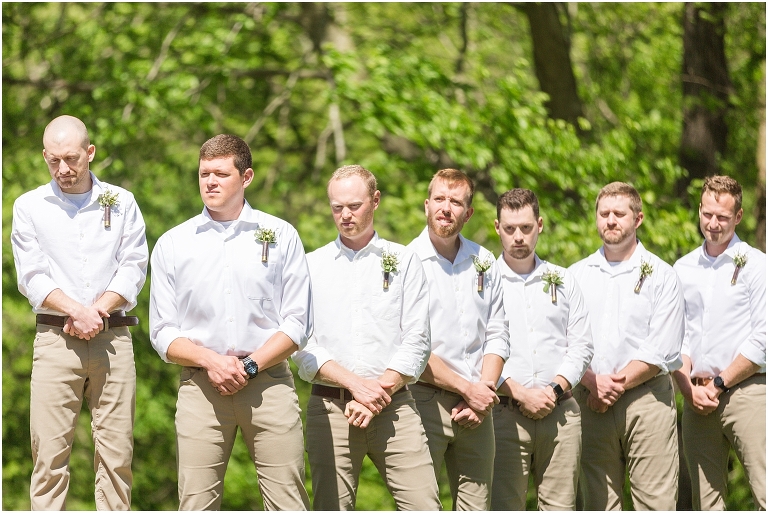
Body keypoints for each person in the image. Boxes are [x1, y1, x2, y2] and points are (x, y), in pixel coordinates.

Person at [149, 134, 311, 510]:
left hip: (268, 383)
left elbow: (298, 322)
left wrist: (249, 365)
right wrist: (211, 362)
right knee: (195, 503)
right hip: (200, 387)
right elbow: (162, 331)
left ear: (247, 177)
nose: (210, 182)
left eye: (221, 173)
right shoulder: (174, 243)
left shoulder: (281, 235)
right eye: (204, 173)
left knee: (288, 501)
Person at [11, 115, 148, 510]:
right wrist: (74, 310)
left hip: (114, 340)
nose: (64, 170)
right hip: (55, 342)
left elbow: (135, 264)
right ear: (44, 157)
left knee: (117, 456)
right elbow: (31, 275)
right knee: (49, 457)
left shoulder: (121, 202)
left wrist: (98, 311)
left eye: (71, 159)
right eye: (53, 161)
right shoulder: (29, 206)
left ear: (90, 153)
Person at [293, 165, 441, 510]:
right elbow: (301, 344)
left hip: (396, 406)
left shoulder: (404, 261)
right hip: (330, 407)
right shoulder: (311, 265)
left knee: (425, 505)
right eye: (336, 207)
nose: (345, 215)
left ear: (375, 201)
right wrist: (356, 386)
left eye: (354, 206)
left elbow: (418, 340)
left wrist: (376, 392)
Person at [568, 181, 684, 510]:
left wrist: (613, 386)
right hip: (589, 400)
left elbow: (663, 347)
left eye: (620, 213)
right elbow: (565, 340)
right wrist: (593, 383)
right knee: (599, 503)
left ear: (638, 219)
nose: (611, 220)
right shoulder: (575, 275)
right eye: (604, 213)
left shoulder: (662, 275)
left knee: (656, 501)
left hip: (647, 400)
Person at [407, 168, 510, 510]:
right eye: (439, 199)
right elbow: (412, 346)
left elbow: (497, 333)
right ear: (426, 205)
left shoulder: (484, 261)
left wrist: (484, 390)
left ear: (469, 212)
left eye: (456, 202)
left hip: (479, 406)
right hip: (425, 401)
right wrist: (468, 390)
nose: (446, 208)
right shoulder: (407, 263)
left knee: (477, 507)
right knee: (421, 506)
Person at [490, 189, 593, 510]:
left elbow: (582, 345)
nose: (518, 237)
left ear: (540, 225)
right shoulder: (483, 281)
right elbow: (477, 349)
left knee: (561, 507)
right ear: (497, 228)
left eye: (526, 227)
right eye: (509, 229)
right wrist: (520, 393)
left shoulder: (563, 279)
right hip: (503, 413)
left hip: (560, 412)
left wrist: (553, 389)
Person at [672, 175, 765, 510]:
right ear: (699, 210)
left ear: (738, 217)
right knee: (705, 502)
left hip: (747, 392)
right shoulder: (682, 269)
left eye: (722, 217)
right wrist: (688, 389)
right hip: (696, 397)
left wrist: (721, 383)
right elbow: (676, 339)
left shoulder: (757, 265)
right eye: (707, 214)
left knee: (764, 489)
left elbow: (763, 339)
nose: (713, 224)